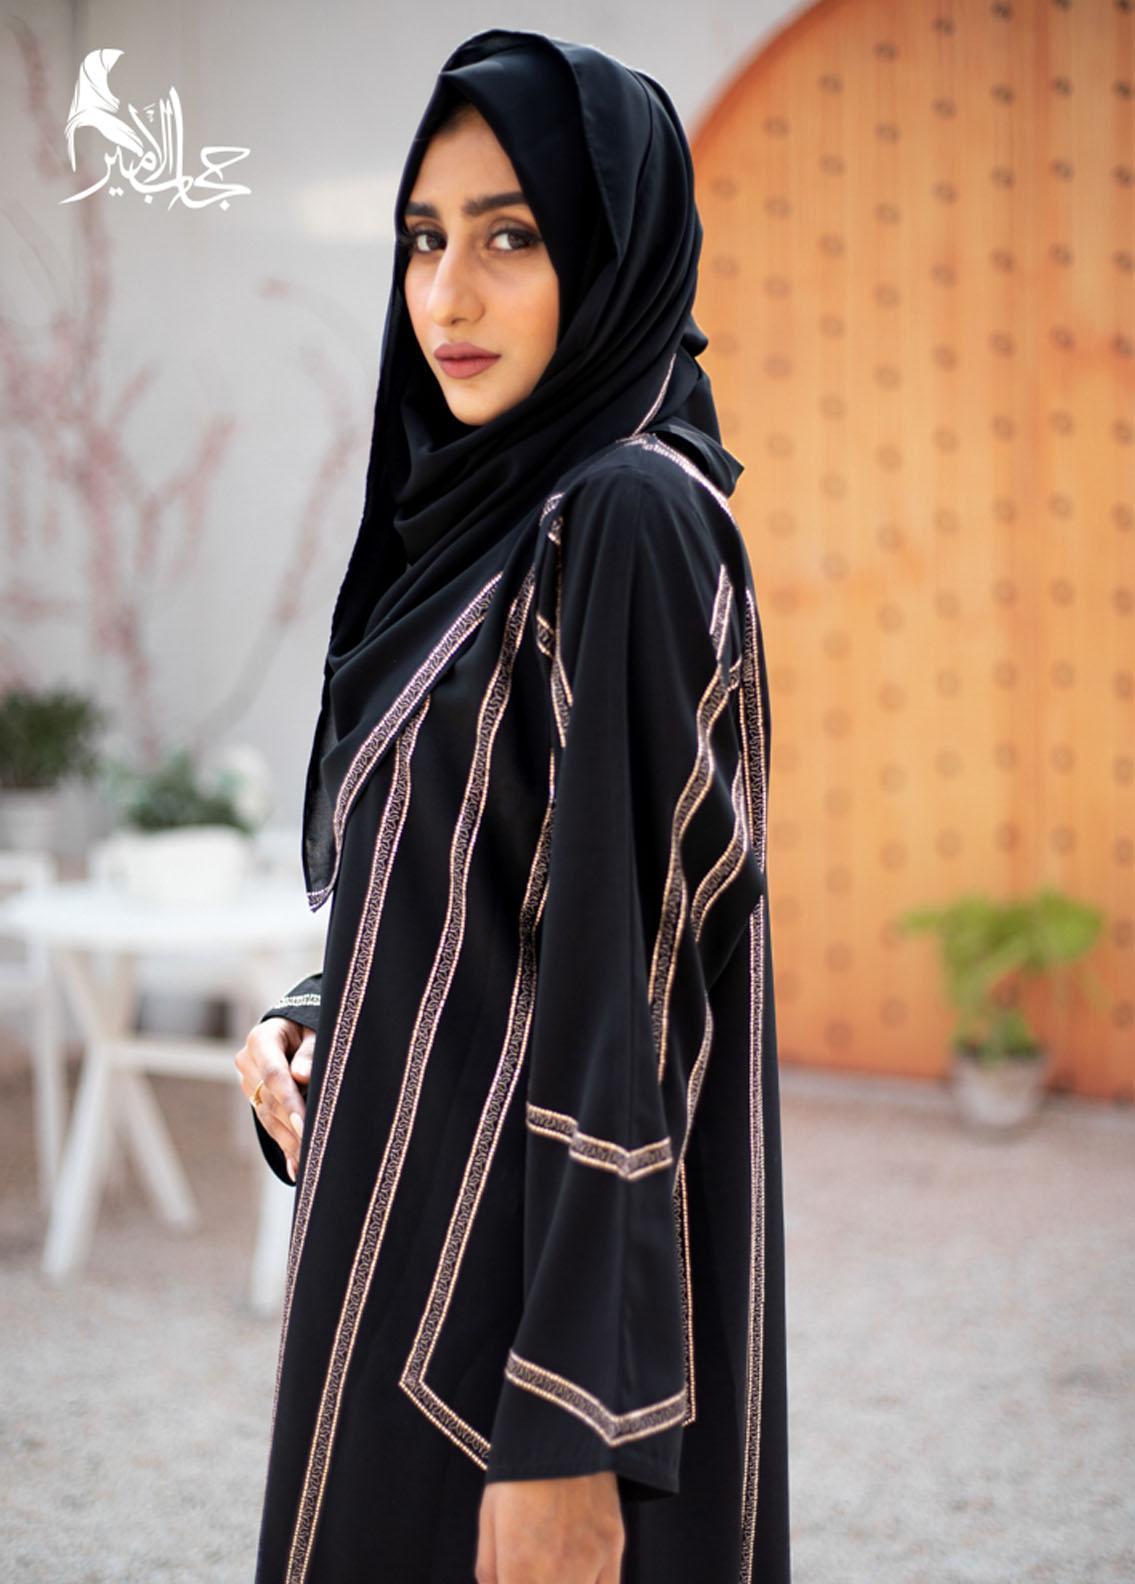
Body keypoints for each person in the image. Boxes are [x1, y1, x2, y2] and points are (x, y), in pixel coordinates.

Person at [233, 27, 790, 1584]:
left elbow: (633, 997)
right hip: (409, 1261)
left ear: (612, 252)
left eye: (511, 236)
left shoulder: (626, 518)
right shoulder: (486, 526)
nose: (448, 297)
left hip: (500, 1355)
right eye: (423, 239)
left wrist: (570, 1430)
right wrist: (323, 1019)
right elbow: (485, 886)